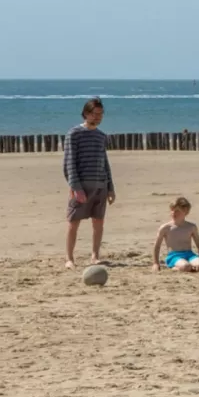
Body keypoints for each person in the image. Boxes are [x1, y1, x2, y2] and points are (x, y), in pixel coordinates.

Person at [63, 97, 115, 269]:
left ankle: (95, 255)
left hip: (100, 184)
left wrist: (110, 187)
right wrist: (75, 187)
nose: (98, 117)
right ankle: (69, 258)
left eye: (101, 114)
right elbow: (69, 162)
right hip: (82, 185)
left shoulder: (101, 136)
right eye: (95, 114)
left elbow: (104, 161)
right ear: (86, 113)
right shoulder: (74, 133)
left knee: (98, 222)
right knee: (73, 222)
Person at [153, 197, 199, 272]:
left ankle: (190, 266)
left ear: (185, 212)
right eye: (172, 210)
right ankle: (174, 267)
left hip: (189, 254)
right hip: (174, 256)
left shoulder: (191, 227)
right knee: (186, 267)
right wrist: (156, 263)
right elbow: (157, 246)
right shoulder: (165, 228)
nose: (173, 213)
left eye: (177, 211)